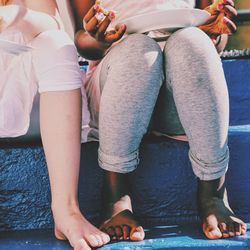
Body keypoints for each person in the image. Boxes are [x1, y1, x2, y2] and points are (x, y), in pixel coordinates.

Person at [72, 0, 247, 243]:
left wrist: (215, 31)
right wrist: (98, 37)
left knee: (193, 42)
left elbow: (215, 36)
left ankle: (213, 192)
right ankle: (115, 194)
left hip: (180, 98)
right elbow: (82, 41)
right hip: (117, 87)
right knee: (138, 50)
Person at [0, 1, 110, 249]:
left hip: (27, 101)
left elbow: (51, 23)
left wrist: (15, 15)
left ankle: (66, 210)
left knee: (54, 42)